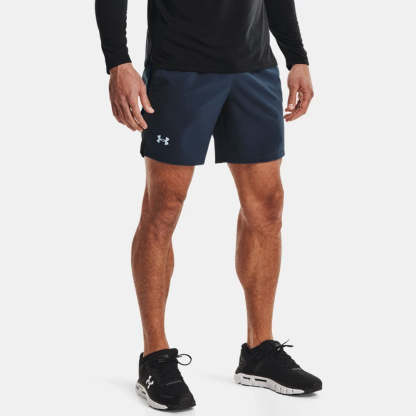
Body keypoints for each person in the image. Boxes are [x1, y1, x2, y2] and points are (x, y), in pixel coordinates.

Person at [96, 0, 321, 410]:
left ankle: (259, 350)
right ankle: (155, 357)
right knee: (164, 209)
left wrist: (297, 57)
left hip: (254, 68)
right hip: (178, 70)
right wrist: (117, 62)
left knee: (267, 208)